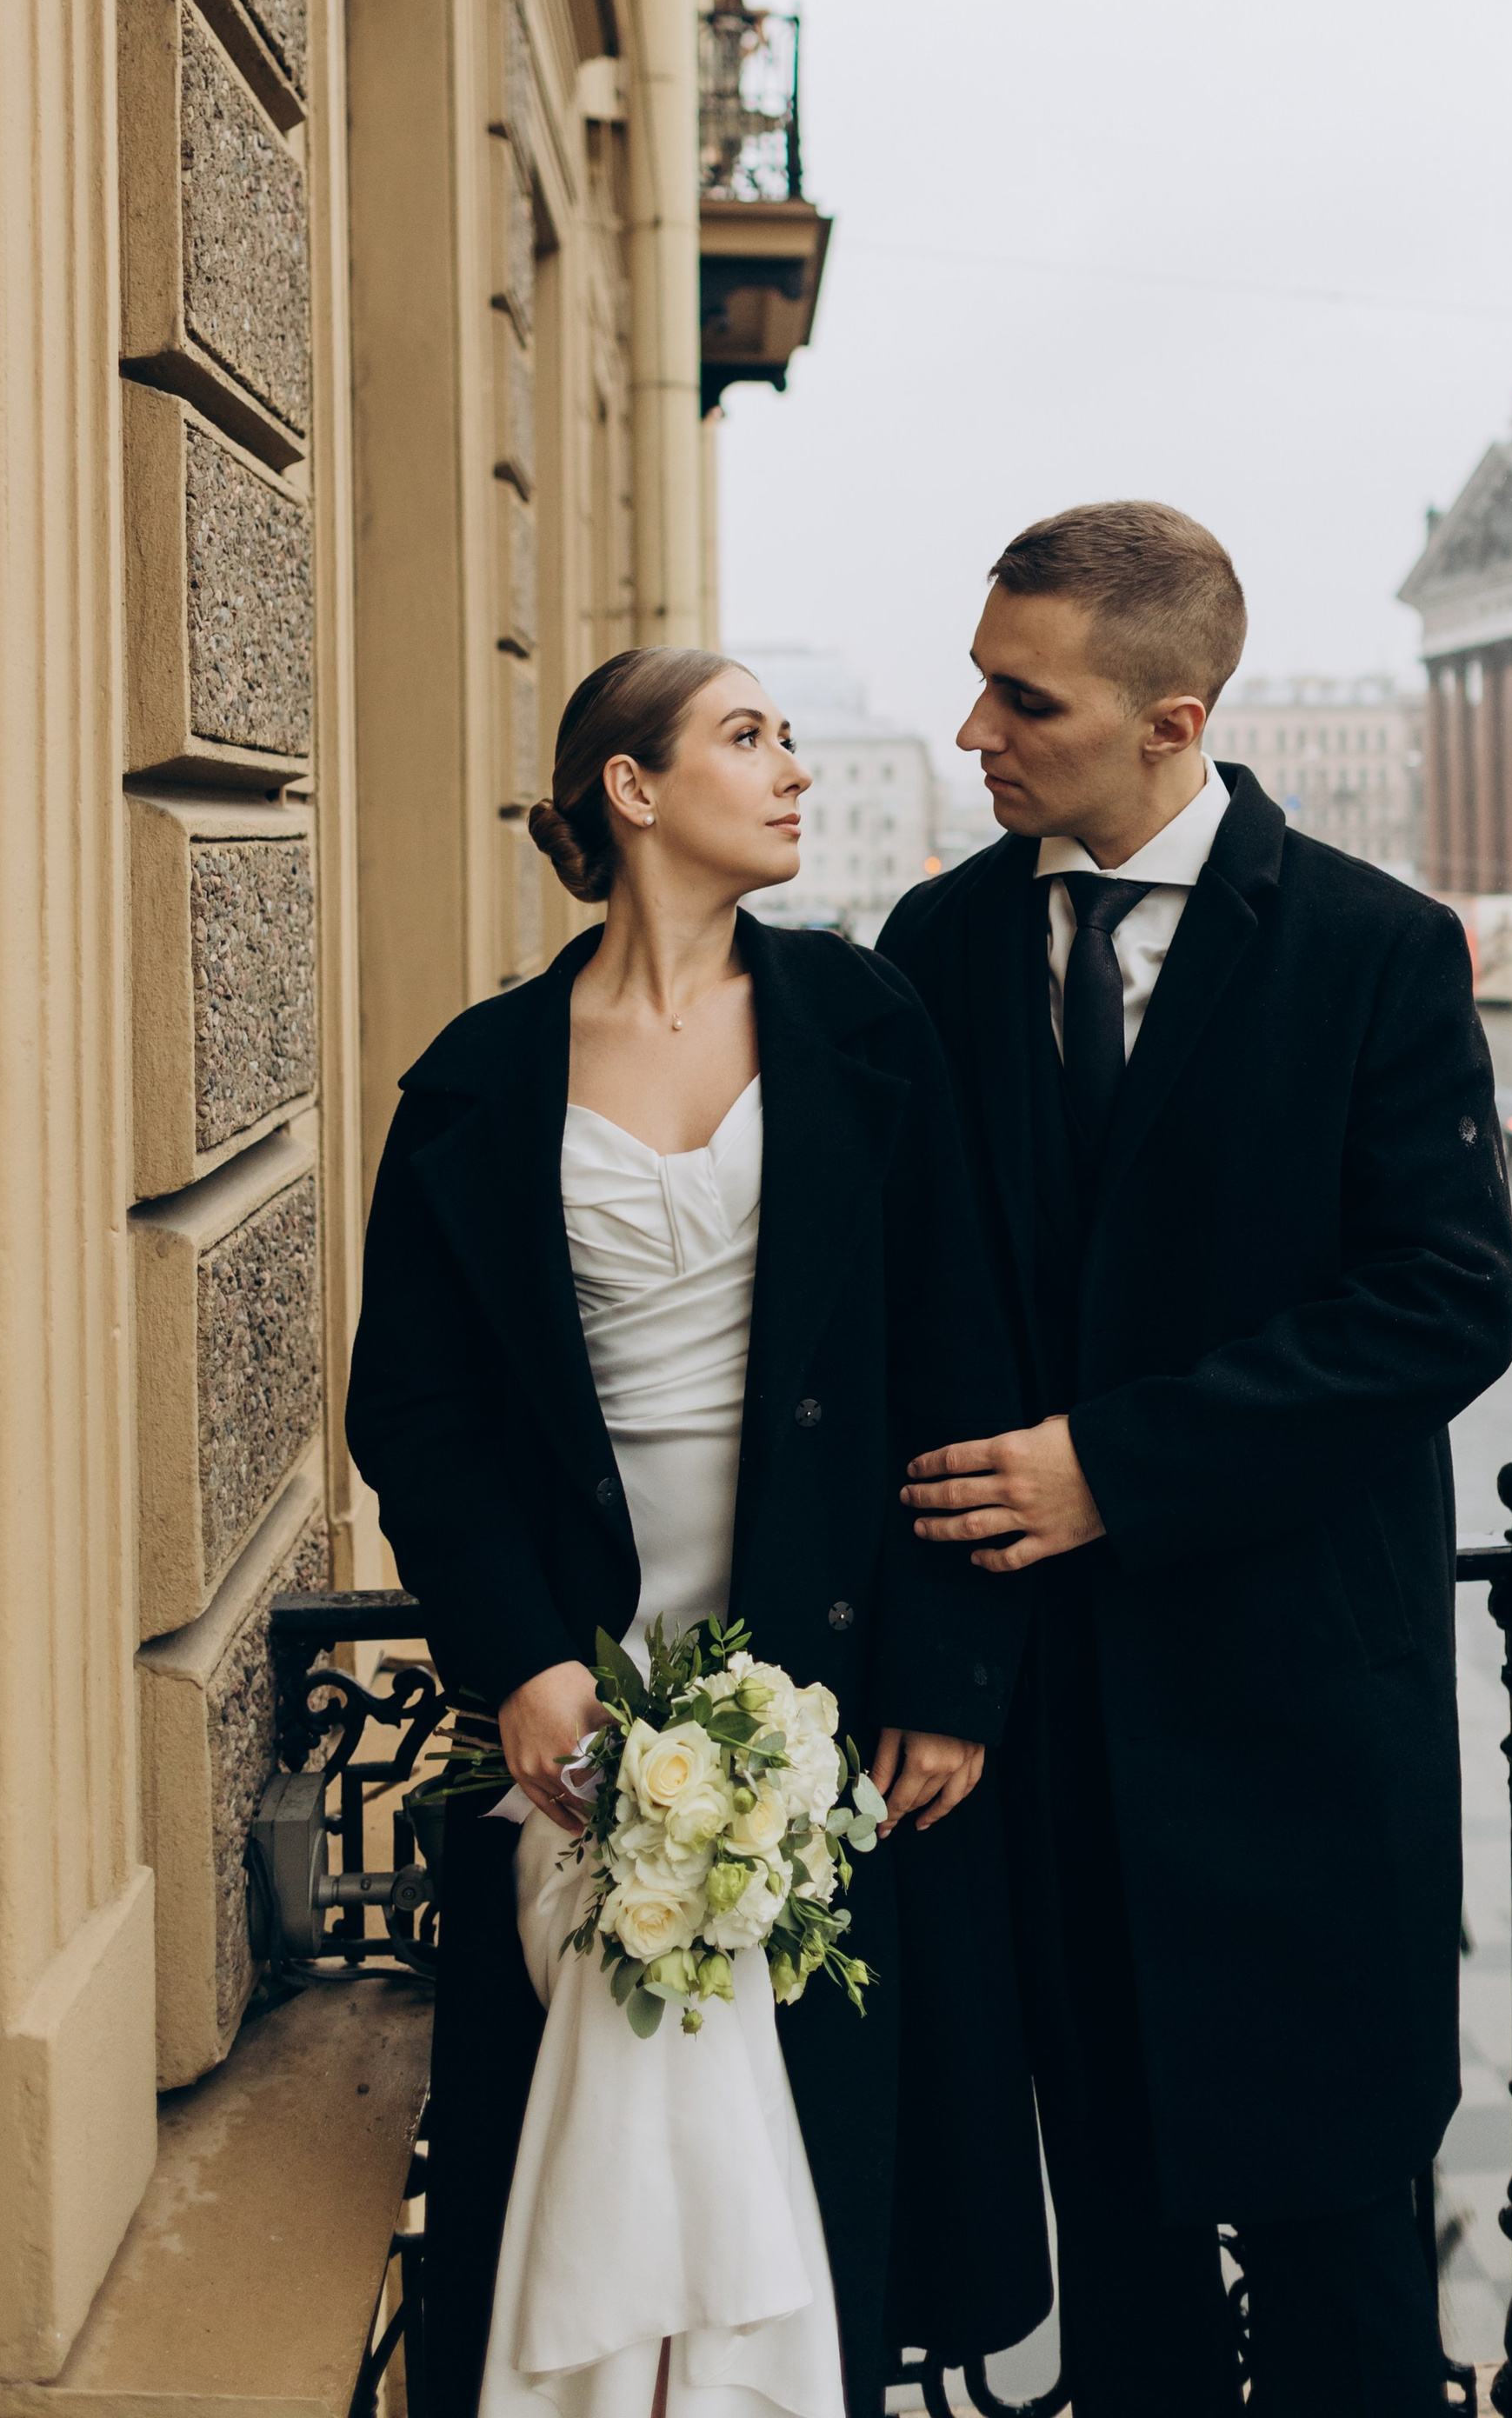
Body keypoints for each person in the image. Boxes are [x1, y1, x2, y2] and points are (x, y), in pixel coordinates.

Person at [346, 648, 1048, 2418]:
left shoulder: (863, 1029)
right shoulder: (478, 1081)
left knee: (802, 2159)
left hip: (831, 1688)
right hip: (580, 1688)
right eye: (749, 737)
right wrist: (514, 1660)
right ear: (631, 791)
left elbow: (959, 1357)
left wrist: (948, 1674)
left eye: (793, 740)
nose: (794, 770)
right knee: (581, 2142)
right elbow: (417, 1418)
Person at [877, 502, 1512, 2418]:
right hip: (1039, 1743)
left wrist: (1112, 1469)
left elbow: (1435, 1311)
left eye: (1022, 697)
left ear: (1175, 717)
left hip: (1298, 1739)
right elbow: (909, 1307)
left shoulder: (1374, 953)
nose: (975, 730)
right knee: (1124, 2275)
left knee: (1341, 2296)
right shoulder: (938, 939)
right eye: (978, 681)